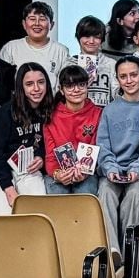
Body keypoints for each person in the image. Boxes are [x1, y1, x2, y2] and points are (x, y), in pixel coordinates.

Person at [0, 62, 53, 215]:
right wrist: (8, 189)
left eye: (41, 82)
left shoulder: (48, 110)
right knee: (6, 219)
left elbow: (46, 141)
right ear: (20, 87)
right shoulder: (3, 114)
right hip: (0, 172)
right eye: (29, 84)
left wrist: (41, 157)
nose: (36, 88)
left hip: (28, 169)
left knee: (37, 215)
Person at [97, 56, 139, 253]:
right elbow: (103, 145)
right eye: (123, 76)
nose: (129, 80)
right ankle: (113, 253)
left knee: (135, 195)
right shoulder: (110, 110)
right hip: (113, 169)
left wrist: (138, 168)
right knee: (105, 193)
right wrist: (110, 168)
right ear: (118, 80)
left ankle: (131, 255)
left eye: (133, 75)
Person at [43, 65, 102, 197]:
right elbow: (50, 155)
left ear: (87, 86)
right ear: (61, 90)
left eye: (81, 84)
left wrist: (84, 172)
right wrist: (57, 175)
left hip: (87, 173)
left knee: (85, 196)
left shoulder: (98, 114)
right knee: (57, 196)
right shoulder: (51, 116)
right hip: (59, 173)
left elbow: (97, 149)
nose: (76, 90)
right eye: (69, 86)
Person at [0, 1, 71, 80]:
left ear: (51, 25)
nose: (37, 24)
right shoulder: (11, 48)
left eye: (42, 19)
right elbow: (0, 81)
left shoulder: (61, 51)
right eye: (32, 19)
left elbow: (66, 83)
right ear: (24, 24)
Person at [71, 15, 117, 110]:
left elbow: (117, 95)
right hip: (77, 116)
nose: (91, 41)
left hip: (103, 117)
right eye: (87, 36)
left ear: (102, 40)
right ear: (78, 37)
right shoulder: (70, 64)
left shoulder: (111, 64)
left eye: (96, 37)